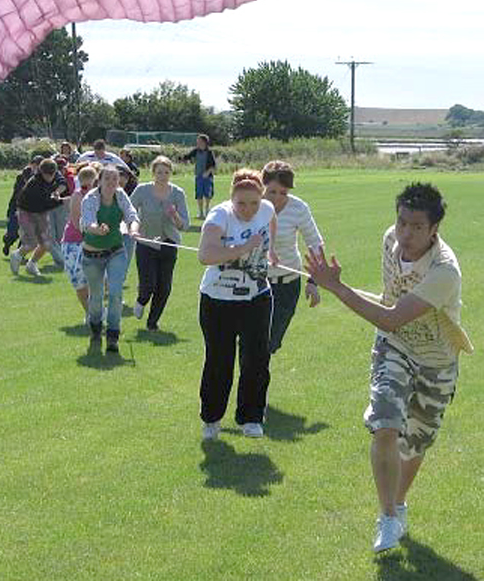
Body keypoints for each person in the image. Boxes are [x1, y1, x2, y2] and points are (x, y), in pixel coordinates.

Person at [304, 182, 473, 553]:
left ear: (434, 230)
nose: (406, 234)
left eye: (416, 227)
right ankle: (387, 516)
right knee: (385, 424)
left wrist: (338, 288)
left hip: (436, 360)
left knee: (415, 443)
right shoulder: (388, 240)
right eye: (401, 223)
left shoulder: (445, 272)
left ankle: (397, 505)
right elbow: (390, 314)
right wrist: (330, 284)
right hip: (393, 346)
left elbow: (392, 315)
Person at [197, 169, 278, 441]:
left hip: (257, 297)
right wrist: (244, 248)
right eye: (241, 203)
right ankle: (211, 419)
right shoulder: (220, 216)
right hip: (218, 300)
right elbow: (205, 254)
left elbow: (271, 221)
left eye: (253, 203)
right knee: (220, 361)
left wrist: (271, 250)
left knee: (256, 359)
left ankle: (251, 418)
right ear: (231, 199)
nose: (248, 209)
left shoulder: (265, 209)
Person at [261, 161, 323, 354]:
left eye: (284, 193)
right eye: (272, 192)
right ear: (263, 186)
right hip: (256, 283)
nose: (277, 198)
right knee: (253, 341)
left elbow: (315, 243)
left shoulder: (298, 208)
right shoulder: (252, 204)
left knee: (271, 342)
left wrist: (313, 281)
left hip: (287, 284)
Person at [80, 164, 140, 353]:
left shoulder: (121, 195)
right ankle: (96, 327)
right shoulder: (91, 198)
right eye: (108, 178)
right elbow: (87, 220)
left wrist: (133, 229)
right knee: (96, 297)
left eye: (115, 179)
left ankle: (113, 334)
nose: (112, 182)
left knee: (115, 293)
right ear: (100, 180)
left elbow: (132, 215)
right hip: (92, 255)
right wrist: (96, 228)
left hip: (115, 251)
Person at [130, 156, 190, 331]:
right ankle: (141, 300)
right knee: (148, 284)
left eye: (166, 172)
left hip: (168, 244)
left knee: (164, 287)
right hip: (146, 242)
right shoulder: (142, 190)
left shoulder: (178, 193)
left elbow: (184, 225)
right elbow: (129, 211)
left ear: (171, 173)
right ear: (153, 173)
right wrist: (132, 229)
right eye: (159, 172)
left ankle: (152, 322)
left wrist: (174, 215)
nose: (163, 176)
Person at [9, 159, 67, 277]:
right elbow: (47, 203)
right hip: (27, 211)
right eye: (47, 175)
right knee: (31, 243)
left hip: (41, 212)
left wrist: (57, 192)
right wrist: (64, 201)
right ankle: (17, 255)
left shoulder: (55, 173)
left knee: (46, 244)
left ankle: (32, 264)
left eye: (52, 174)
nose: (50, 177)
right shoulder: (35, 184)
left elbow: (63, 183)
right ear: (41, 172)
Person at [61, 166, 97, 326]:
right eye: (84, 186)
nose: (88, 189)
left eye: (93, 185)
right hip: (74, 242)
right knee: (79, 281)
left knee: (98, 280)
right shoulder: (77, 196)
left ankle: (97, 312)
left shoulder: (102, 197)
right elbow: (76, 222)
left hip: (95, 242)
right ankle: (89, 312)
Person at [2, 154, 44, 256]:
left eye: (39, 165)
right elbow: (15, 195)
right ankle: (7, 243)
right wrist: (10, 211)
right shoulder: (21, 177)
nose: (37, 167)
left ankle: (19, 254)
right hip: (18, 208)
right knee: (12, 233)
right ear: (31, 164)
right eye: (35, 164)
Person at [184, 134, 216, 219]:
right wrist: (182, 158)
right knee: (199, 194)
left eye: (199, 141)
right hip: (198, 176)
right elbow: (187, 157)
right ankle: (201, 212)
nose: (197, 143)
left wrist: (207, 172)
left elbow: (213, 165)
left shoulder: (209, 153)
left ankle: (207, 210)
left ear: (205, 142)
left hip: (208, 177)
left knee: (208, 194)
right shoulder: (195, 151)